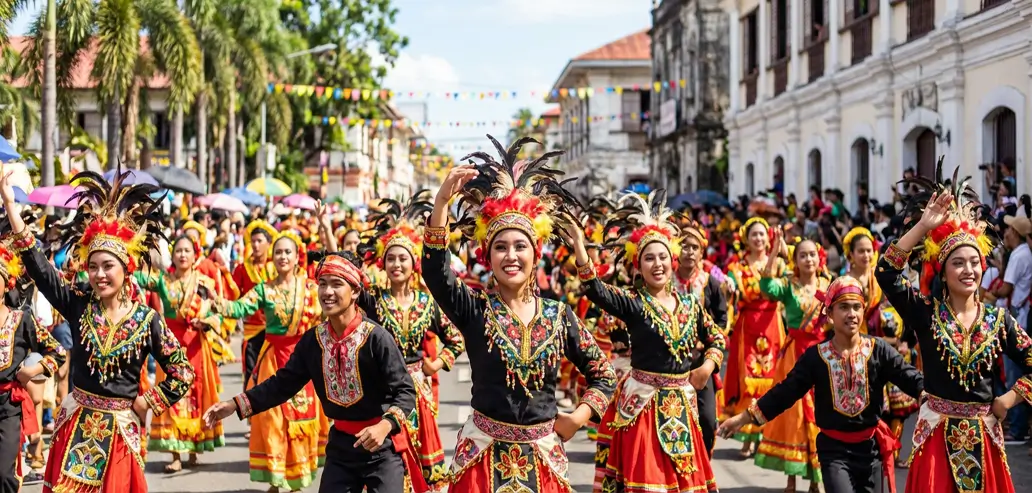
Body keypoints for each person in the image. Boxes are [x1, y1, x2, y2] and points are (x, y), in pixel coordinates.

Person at [422, 135, 617, 492]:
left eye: (519, 246)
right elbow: (436, 272)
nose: (511, 256)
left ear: (535, 252)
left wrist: (578, 417)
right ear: (487, 256)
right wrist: (440, 203)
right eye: (500, 247)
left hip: (542, 460)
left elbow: (604, 375)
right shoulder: (475, 309)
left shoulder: (560, 317)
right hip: (483, 459)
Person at [0, 167, 194, 492]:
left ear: (126, 269)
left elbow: (183, 373)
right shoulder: (78, 304)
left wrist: (149, 403)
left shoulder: (147, 321)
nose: (99, 275)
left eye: (108, 266)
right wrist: (10, 205)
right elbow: (40, 268)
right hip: (75, 425)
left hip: (119, 434)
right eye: (93, 266)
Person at [204, 252, 426, 493]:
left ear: (354, 292)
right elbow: (282, 384)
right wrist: (236, 404)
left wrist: (384, 426)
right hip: (341, 448)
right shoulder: (314, 341)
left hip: (381, 448)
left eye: (336, 284)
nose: (327, 292)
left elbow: (405, 391)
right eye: (322, 284)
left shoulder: (377, 339)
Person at [876, 164, 1032, 493]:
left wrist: (1009, 399)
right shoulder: (925, 313)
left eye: (974, 262)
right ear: (943, 271)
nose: (968, 270)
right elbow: (886, 273)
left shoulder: (998, 321)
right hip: (935, 438)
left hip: (985, 439)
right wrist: (922, 226)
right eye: (958, 263)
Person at [566, 192, 725, 493]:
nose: (657, 264)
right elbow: (595, 289)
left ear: (672, 260)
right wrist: (578, 243)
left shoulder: (690, 305)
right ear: (638, 265)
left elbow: (716, 335)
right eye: (649, 258)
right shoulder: (633, 304)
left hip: (681, 407)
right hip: (643, 407)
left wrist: (708, 364)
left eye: (663, 256)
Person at [718, 276, 924, 493]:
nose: (851, 314)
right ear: (830, 313)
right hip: (834, 452)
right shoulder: (816, 357)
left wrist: (925, 393)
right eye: (843, 307)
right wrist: (743, 418)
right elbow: (784, 393)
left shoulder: (878, 350)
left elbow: (908, 376)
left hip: (871, 449)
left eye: (856, 307)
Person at [355, 190, 465, 488]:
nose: (396, 264)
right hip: (382, 389)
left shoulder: (427, 303)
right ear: (383, 263)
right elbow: (350, 280)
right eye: (390, 258)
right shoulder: (375, 301)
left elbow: (456, 338)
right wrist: (327, 231)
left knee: (419, 460)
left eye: (402, 258)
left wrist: (437, 363)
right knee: (387, 457)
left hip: (418, 391)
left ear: (413, 262)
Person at [214, 227, 329, 493]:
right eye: (278, 252)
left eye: (287, 251)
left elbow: (328, 314)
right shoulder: (265, 290)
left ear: (297, 254)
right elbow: (238, 308)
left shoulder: (311, 288)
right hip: (272, 361)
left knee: (302, 421)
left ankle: (297, 476)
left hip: (303, 361)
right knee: (272, 420)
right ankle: (276, 479)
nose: (282, 257)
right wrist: (214, 302)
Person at [134, 235, 225, 471]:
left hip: (197, 346)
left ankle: (194, 448)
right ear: (172, 256)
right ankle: (175, 454)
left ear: (195, 255)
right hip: (171, 348)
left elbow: (219, 313)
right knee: (171, 397)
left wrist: (206, 321)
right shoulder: (164, 281)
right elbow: (138, 276)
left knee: (197, 394)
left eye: (187, 251)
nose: (182, 255)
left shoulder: (205, 284)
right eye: (178, 251)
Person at [753, 228, 828, 491]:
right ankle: (791, 478)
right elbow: (765, 287)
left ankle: (816, 479)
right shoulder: (788, 286)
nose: (808, 260)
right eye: (803, 256)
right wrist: (774, 251)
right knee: (794, 414)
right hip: (795, 355)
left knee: (820, 413)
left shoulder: (827, 288)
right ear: (795, 261)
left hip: (822, 354)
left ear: (820, 259)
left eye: (812, 255)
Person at [0, 210, 67, 491]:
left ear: (6, 284)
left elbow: (58, 351)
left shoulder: (20, 319)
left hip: (7, 406)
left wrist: (33, 370)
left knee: (3, 475)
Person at [722, 217, 785, 456]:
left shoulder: (778, 265)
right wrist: (728, 289)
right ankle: (748, 436)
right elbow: (729, 293)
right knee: (748, 378)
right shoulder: (737, 268)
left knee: (772, 378)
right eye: (754, 235)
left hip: (772, 324)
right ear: (746, 239)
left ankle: (765, 436)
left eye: (762, 234)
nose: (759, 239)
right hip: (748, 325)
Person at [674, 219, 728, 457]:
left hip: (702, 362)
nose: (689, 251)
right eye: (684, 245)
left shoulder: (710, 284)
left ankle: (704, 463)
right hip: (671, 363)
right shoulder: (665, 281)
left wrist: (706, 344)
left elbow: (722, 319)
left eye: (694, 247)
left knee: (707, 420)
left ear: (702, 251)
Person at [231, 220, 277, 393]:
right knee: (251, 373)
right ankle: (253, 415)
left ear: (268, 243)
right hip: (252, 329)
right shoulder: (243, 269)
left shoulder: (276, 267)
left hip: (274, 329)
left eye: (260, 241)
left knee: (274, 372)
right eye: (253, 241)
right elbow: (233, 295)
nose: (256, 245)